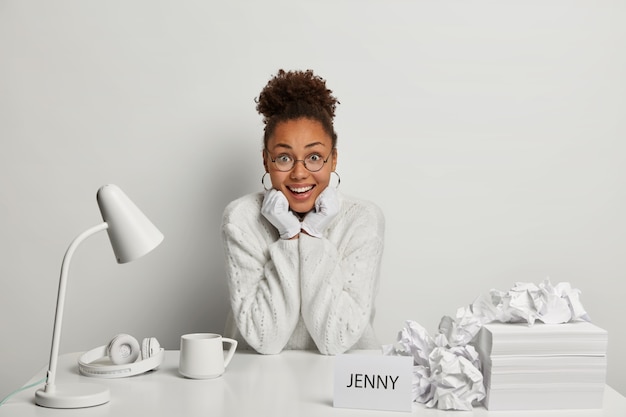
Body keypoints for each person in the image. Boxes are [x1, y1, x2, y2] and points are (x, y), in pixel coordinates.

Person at [221, 69, 385, 355]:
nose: (299, 173)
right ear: (266, 160)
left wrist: (312, 232)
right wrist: (288, 236)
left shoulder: (363, 219)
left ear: (333, 159)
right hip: (256, 381)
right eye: (284, 157)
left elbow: (335, 339)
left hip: (344, 380)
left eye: (314, 157)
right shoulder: (241, 219)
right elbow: (264, 339)